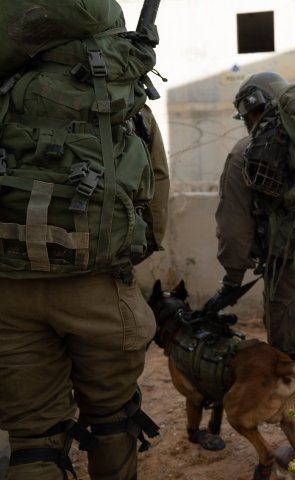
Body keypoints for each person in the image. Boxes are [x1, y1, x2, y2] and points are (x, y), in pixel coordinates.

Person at [0, 104, 167, 479]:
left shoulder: (5, 87)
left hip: (8, 295)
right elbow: (156, 199)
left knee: (33, 437)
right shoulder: (126, 102)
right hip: (100, 286)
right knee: (113, 419)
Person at [210, 71, 295, 412]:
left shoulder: (247, 152)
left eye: (246, 117)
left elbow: (234, 227)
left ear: (254, 111)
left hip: (291, 268)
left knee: (294, 358)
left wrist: (232, 277)